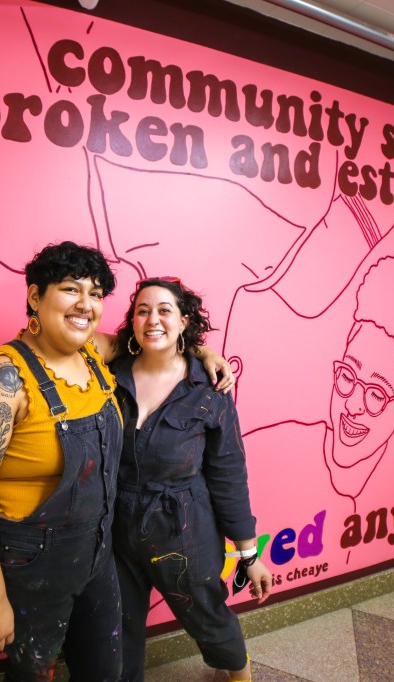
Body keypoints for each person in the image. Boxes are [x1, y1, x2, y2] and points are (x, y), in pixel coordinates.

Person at [0, 242, 233, 681]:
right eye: (70, 289)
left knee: (105, 670)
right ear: (35, 296)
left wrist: (202, 353)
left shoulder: (92, 352)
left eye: (95, 294)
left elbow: (148, 341)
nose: (86, 304)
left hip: (98, 554)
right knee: (34, 673)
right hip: (32, 565)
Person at [109, 277, 272, 682]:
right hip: (116, 525)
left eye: (164, 310)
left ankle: (239, 674)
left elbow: (229, 474)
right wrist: (202, 347)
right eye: (143, 310)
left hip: (183, 526)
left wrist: (249, 555)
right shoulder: (108, 376)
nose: (152, 319)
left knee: (207, 614)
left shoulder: (209, 389)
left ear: (184, 321)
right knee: (117, 624)